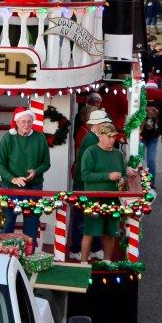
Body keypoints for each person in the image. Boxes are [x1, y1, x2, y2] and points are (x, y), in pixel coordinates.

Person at [0, 107, 51, 249]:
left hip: (33, 187)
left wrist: (36, 172)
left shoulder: (39, 138)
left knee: (32, 224)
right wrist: (12, 178)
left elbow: (46, 163)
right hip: (10, 188)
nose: (26, 125)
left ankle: (29, 254)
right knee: (7, 223)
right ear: (16, 122)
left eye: (29, 121)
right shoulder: (8, 138)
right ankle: (4, 252)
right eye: (23, 122)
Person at [79, 122, 133, 262]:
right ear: (100, 136)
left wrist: (123, 180)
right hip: (94, 200)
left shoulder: (118, 154)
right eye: (109, 137)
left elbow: (123, 173)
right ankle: (83, 263)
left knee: (111, 233)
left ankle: (107, 262)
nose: (112, 140)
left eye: (113, 137)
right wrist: (108, 176)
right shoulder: (90, 152)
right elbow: (85, 176)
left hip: (113, 200)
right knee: (89, 232)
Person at [69, 111, 114, 261]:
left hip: (90, 185)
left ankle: (94, 248)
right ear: (96, 125)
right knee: (83, 218)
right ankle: (76, 249)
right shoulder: (91, 140)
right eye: (103, 123)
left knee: (93, 216)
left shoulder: (93, 137)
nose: (106, 125)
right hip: (84, 185)